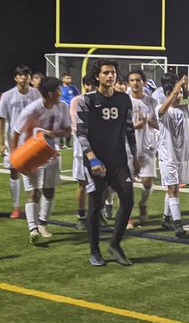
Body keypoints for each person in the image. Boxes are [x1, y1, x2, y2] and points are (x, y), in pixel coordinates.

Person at [75, 60, 139, 267]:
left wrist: (135, 156)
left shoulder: (124, 99)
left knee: (128, 199)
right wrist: (92, 158)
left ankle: (115, 244)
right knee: (96, 205)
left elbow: (129, 129)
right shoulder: (88, 100)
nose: (110, 76)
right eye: (106, 73)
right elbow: (81, 133)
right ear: (97, 77)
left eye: (112, 73)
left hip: (118, 159)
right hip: (96, 160)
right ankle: (94, 250)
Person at [10, 76, 72, 246]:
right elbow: (15, 133)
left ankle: (43, 223)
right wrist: (15, 158)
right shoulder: (32, 109)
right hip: (31, 155)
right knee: (34, 192)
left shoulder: (63, 106)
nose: (61, 93)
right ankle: (33, 229)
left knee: (49, 191)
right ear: (51, 93)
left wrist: (54, 135)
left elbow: (68, 131)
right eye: (58, 90)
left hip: (51, 155)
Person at [158, 73, 189, 237]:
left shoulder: (184, 109)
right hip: (167, 156)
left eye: (180, 95)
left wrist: (185, 89)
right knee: (173, 189)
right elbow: (162, 110)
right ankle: (178, 226)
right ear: (168, 95)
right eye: (176, 95)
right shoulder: (161, 109)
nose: (179, 97)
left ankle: (166, 218)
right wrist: (175, 89)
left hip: (182, 156)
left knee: (173, 189)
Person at [0, 65, 38, 219]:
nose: (23, 78)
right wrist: (1, 143)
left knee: (30, 172)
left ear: (29, 78)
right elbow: (1, 119)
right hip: (12, 141)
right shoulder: (7, 96)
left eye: (26, 75)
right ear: (15, 78)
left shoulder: (36, 94)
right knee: (14, 173)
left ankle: (30, 205)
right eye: (20, 75)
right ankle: (15, 207)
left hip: (31, 141)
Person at [126, 69, 161, 226]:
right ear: (129, 83)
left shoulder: (152, 102)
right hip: (127, 147)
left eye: (138, 80)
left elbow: (158, 125)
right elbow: (120, 126)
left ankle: (143, 204)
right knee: (123, 184)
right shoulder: (124, 101)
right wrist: (135, 125)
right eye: (132, 80)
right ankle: (119, 211)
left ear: (144, 82)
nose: (135, 83)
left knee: (147, 182)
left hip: (147, 146)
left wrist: (146, 120)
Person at [69, 73, 97, 225]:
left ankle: (97, 214)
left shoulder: (100, 101)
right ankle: (81, 216)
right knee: (82, 184)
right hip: (81, 149)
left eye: (93, 84)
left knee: (100, 184)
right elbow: (76, 125)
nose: (90, 87)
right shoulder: (76, 101)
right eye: (88, 84)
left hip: (98, 147)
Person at [58, 71, 79, 148]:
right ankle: (60, 143)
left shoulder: (73, 88)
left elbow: (78, 96)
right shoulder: (59, 88)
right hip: (62, 108)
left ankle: (67, 143)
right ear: (63, 79)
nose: (69, 79)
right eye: (67, 78)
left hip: (72, 108)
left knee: (70, 126)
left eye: (70, 78)